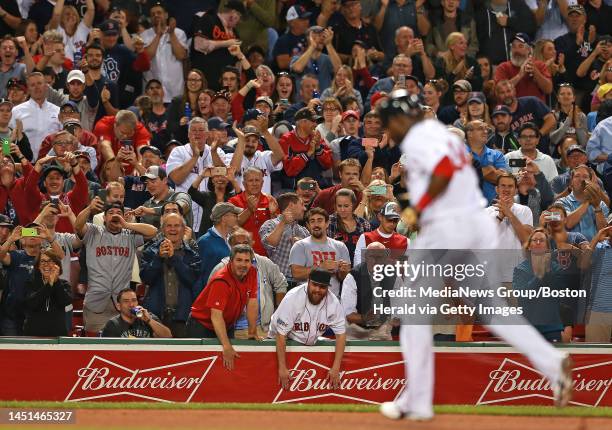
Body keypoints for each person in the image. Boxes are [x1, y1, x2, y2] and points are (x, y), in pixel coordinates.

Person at [376, 90, 571, 421]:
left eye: (386, 123)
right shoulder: (438, 133)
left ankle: (417, 403)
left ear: (398, 118)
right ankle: (552, 363)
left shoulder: (420, 137)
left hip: (446, 229)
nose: (387, 131)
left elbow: (445, 169)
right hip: (471, 225)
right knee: (492, 310)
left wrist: (416, 210)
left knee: (412, 311)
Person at [75, 198, 158, 334]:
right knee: (94, 345)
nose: (115, 215)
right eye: (111, 213)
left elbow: (153, 231)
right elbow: (78, 226)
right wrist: (90, 208)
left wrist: (127, 224)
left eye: (118, 212)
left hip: (123, 304)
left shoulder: (130, 235)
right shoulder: (93, 232)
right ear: (104, 218)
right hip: (96, 302)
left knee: (122, 343)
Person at [269, 267, 346, 389]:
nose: (317, 290)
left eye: (322, 287)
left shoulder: (333, 302)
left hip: (307, 342)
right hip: (280, 343)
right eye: (315, 285)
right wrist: (282, 367)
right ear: (308, 281)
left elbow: (341, 334)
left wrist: (336, 367)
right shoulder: (293, 298)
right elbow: (280, 334)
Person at [188, 244, 259, 369]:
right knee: (200, 367)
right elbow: (216, 316)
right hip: (202, 325)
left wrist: (252, 332)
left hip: (226, 324)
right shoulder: (222, 281)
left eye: (247, 261)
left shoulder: (252, 272)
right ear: (231, 261)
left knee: (227, 367)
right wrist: (226, 346)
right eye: (239, 260)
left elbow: (252, 303)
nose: (243, 265)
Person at [210, 227, 287, 338]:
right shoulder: (220, 269)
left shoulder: (265, 263)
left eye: (246, 243)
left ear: (252, 243)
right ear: (230, 246)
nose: (242, 247)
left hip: (262, 328)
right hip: (231, 330)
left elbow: (281, 284)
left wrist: (278, 313)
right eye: (237, 244)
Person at [140, 213, 201, 338]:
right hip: (156, 316)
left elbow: (192, 280)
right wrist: (158, 258)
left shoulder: (192, 254)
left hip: (183, 317)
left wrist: (173, 258)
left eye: (177, 226)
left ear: (184, 229)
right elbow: (146, 279)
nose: (173, 229)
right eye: (169, 226)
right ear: (162, 229)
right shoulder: (150, 251)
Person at [0, 223, 64, 335]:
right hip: (13, 314)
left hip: (37, 314)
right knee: (12, 351)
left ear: (42, 239)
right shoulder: (15, 256)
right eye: (28, 233)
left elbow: (61, 256)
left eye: (36, 233)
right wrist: (11, 239)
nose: (32, 235)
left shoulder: (45, 259)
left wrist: (49, 238)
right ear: (22, 240)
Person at [166, 117, 227, 234]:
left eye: (201, 130)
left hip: (211, 213)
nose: (197, 133)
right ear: (188, 134)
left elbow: (225, 178)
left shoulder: (217, 152)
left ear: (207, 134)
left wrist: (213, 153)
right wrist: (194, 157)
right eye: (194, 130)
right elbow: (176, 178)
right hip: (185, 214)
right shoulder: (179, 152)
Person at [289, 207, 351, 297]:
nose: (316, 224)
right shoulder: (300, 245)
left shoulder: (340, 246)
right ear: (308, 225)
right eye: (312, 221)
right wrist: (320, 267)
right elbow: (296, 274)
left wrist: (343, 271)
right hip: (305, 299)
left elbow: (344, 278)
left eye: (319, 220)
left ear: (327, 223)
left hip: (332, 300)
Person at [341, 241, 396, 340]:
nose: (375, 261)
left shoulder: (394, 277)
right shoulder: (353, 276)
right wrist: (365, 318)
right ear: (366, 256)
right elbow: (348, 315)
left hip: (382, 328)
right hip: (355, 330)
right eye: (372, 257)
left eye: (379, 257)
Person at [190, 0, 246, 91]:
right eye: (239, 16)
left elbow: (237, 62)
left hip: (223, 86)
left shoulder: (235, 33)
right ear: (233, 13)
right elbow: (199, 45)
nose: (238, 21)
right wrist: (226, 43)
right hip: (204, 83)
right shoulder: (209, 19)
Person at [141, 2, 188, 103]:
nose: (156, 15)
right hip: (153, 93)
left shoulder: (179, 33)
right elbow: (147, 57)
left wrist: (171, 33)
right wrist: (158, 35)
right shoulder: (145, 35)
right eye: (153, 14)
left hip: (175, 92)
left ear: (166, 15)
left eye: (159, 12)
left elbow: (181, 55)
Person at [9, 72, 61, 160]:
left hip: (52, 167)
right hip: (24, 165)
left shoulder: (58, 111)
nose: (37, 87)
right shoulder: (16, 111)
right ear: (28, 89)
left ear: (46, 86)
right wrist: (5, 155)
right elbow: (6, 139)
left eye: (39, 83)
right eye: (33, 85)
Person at [260, 192, 309, 282]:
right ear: (291, 205)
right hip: (277, 283)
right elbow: (269, 244)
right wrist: (283, 222)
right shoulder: (270, 224)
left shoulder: (304, 231)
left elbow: (312, 257)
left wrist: (302, 245)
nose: (304, 208)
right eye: (301, 204)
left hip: (300, 284)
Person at [280, 107, 333, 188]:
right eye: (313, 121)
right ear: (302, 123)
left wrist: (318, 148)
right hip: (297, 188)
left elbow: (328, 164)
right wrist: (307, 154)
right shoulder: (286, 140)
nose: (316, 124)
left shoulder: (317, 137)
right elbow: (289, 170)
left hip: (316, 187)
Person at [23, 249, 72, 336]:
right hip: (33, 335)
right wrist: (49, 284)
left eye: (50, 261)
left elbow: (64, 301)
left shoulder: (64, 284)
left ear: (57, 265)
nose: (46, 264)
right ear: (38, 266)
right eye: (42, 261)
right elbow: (32, 304)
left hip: (58, 335)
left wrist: (56, 281)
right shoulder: (30, 283)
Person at [229, 167, 277, 256]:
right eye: (251, 180)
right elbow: (232, 226)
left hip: (268, 255)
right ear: (244, 183)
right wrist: (249, 210)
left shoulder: (270, 200)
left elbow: (278, 229)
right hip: (243, 254)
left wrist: (273, 214)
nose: (254, 184)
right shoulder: (233, 201)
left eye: (257, 180)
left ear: (262, 183)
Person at [494, 33, 553, 103]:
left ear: (528, 50)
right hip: (511, 111)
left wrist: (536, 72)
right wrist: (519, 75)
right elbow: (498, 92)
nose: (516, 50)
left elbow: (548, 89)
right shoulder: (503, 67)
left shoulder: (539, 65)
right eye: (513, 46)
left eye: (520, 46)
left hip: (536, 110)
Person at [556, 165, 609, 241]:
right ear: (571, 182)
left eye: (585, 176)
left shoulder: (601, 204)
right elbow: (568, 223)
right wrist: (587, 201)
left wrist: (597, 207)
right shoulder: (561, 203)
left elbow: (604, 232)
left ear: (591, 182)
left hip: (597, 250)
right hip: (572, 250)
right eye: (577, 176)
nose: (581, 179)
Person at [197, 202, 241, 291]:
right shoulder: (205, 242)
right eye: (234, 215)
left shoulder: (231, 240)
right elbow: (201, 276)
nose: (237, 218)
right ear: (224, 218)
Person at [465, 119, 508, 204]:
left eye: (486, 129)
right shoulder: (459, 152)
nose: (485, 132)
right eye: (481, 128)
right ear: (469, 133)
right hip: (466, 207)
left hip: (492, 208)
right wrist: (490, 170)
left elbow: (502, 180)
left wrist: (473, 169)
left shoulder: (497, 155)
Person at [354, 201, 408, 266]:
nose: (392, 224)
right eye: (389, 219)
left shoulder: (406, 242)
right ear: (380, 217)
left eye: (395, 220)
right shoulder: (365, 238)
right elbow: (358, 266)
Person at [101, 288, 172, 338]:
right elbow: (109, 350)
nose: (131, 304)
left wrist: (149, 320)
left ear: (137, 303)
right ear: (118, 306)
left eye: (134, 300)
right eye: (126, 301)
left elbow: (168, 336)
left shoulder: (148, 316)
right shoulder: (113, 325)